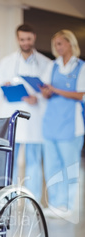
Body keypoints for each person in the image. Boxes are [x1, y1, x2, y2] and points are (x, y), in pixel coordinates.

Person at [0, 24, 51, 202]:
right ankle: (8, 197)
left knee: (34, 162)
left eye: (29, 39)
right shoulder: (6, 62)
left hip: (35, 120)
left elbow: (49, 90)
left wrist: (38, 97)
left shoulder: (46, 63)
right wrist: (5, 88)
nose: (25, 42)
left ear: (34, 38)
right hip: (13, 117)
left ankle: (32, 198)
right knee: (10, 161)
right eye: (22, 39)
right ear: (18, 39)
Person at [40, 29, 85, 219]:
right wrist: (46, 92)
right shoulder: (52, 66)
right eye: (56, 44)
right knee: (52, 166)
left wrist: (56, 90)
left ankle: (69, 205)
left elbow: (81, 94)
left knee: (70, 166)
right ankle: (56, 205)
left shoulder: (81, 67)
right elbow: (43, 90)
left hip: (71, 125)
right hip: (51, 122)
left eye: (61, 43)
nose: (58, 48)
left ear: (70, 43)